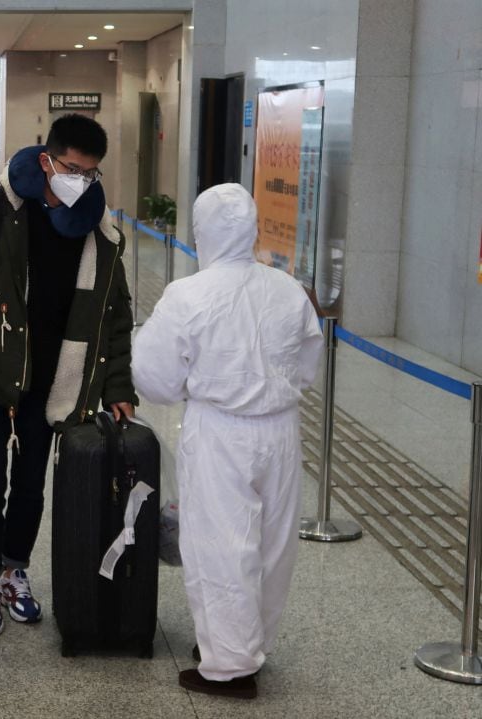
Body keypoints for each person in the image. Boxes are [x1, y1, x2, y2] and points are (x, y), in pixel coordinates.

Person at [0, 113, 138, 637]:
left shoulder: (100, 234)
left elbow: (114, 316)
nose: (80, 181)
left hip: (54, 386)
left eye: (91, 174)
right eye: (71, 168)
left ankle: (16, 570)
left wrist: (118, 387)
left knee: (30, 489)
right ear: (47, 160)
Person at [131, 183, 323, 699]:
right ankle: (245, 644)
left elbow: (153, 377)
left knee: (220, 546)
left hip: (220, 432)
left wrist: (194, 386)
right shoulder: (287, 289)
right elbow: (309, 363)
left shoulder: (189, 295)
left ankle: (229, 666)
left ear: (204, 233)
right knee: (272, 546)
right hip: (282, 430)